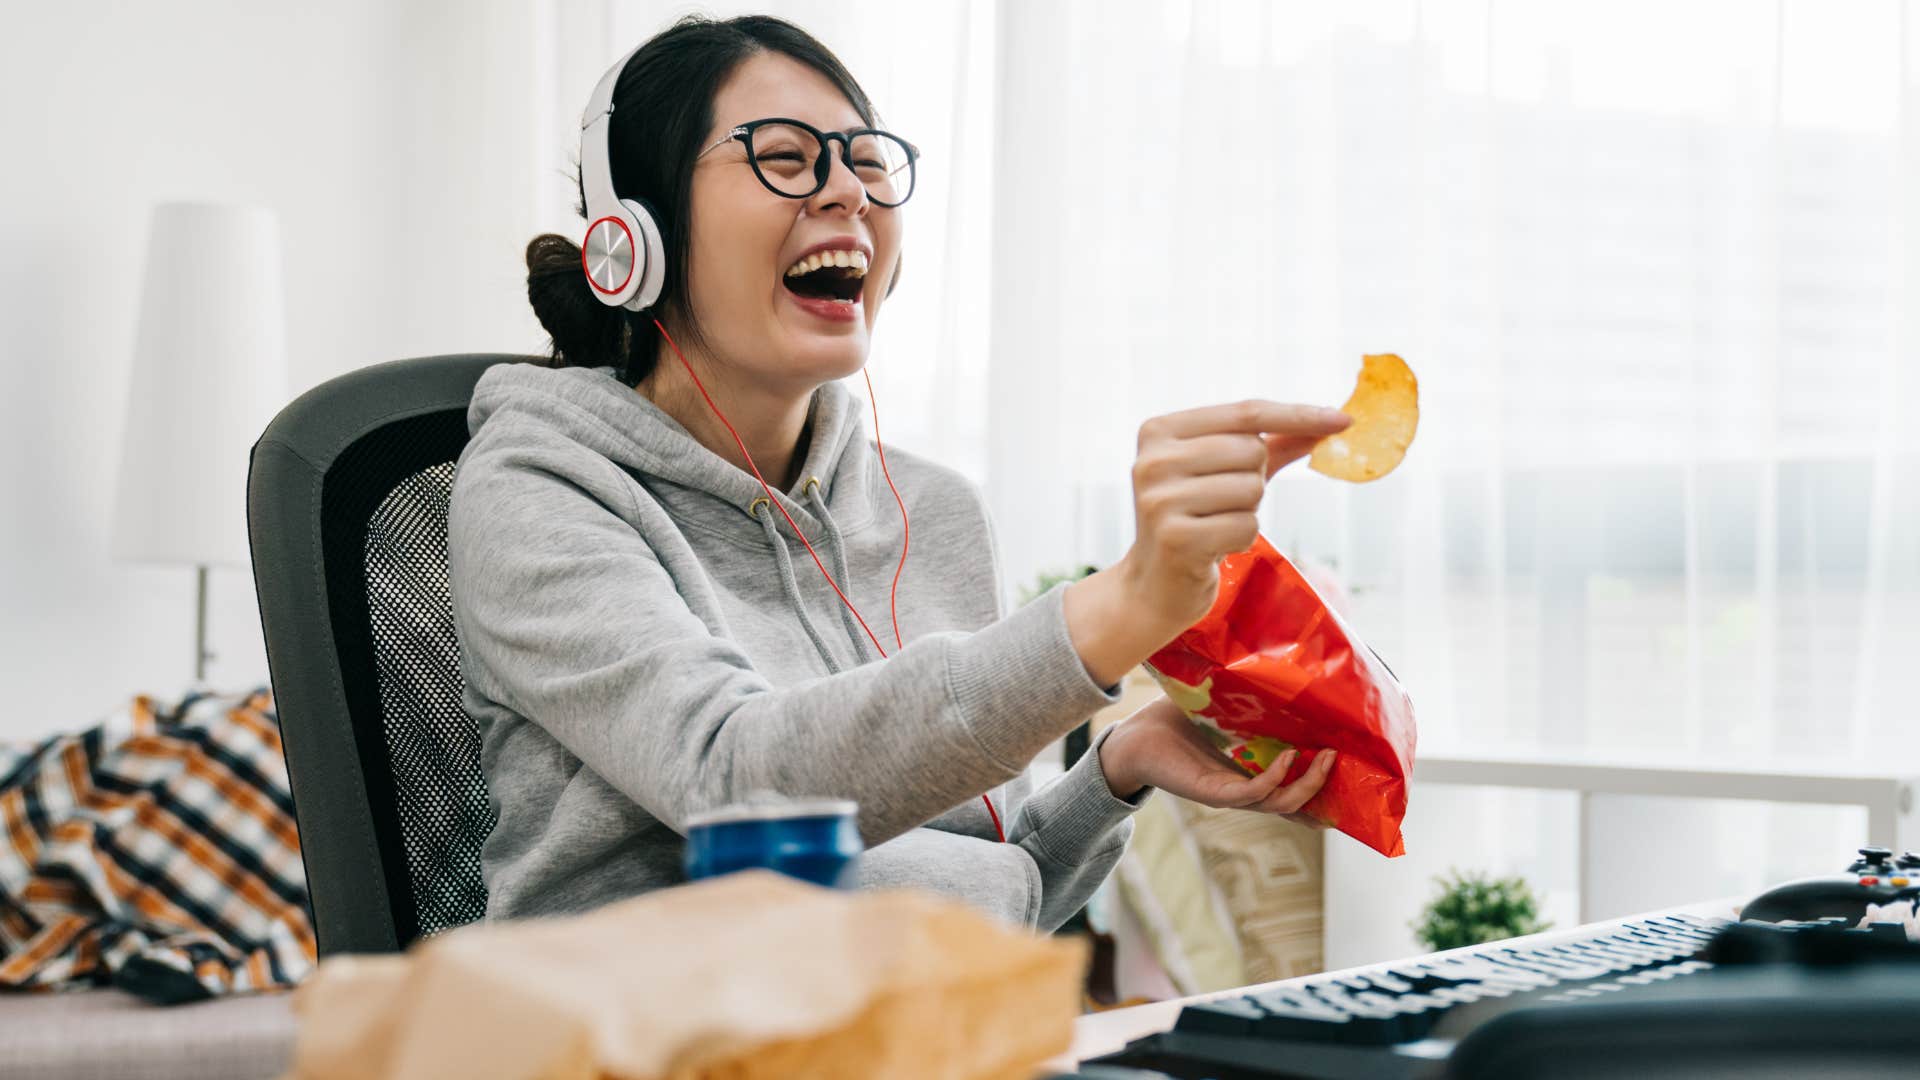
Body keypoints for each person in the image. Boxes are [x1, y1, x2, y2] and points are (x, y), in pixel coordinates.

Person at [447, 14, 1350, 932]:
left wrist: (1115, 771)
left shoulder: (933, 510)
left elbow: (1000, 893)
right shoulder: (538, 491)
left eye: (866, 160)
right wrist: (1118, 609)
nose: (847, 192)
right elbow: (735, 783)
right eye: (787, 159)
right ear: (636, 239)